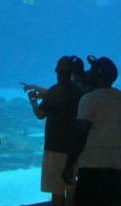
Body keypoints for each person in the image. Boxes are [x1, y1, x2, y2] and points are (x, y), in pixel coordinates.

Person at [62, 56, 121, 206]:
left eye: (91, 70)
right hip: (119, 166)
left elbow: (81, 134)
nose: (87, 73)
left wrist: (69, 163)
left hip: (92, 166)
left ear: (97, 74)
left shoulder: (89, 99)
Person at [24, 56, 84, 206]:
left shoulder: (54, 91)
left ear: (56, 71)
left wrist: (32, 100)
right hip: (73, 146)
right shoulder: (78, 90)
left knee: (57, 190)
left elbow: (40, 114)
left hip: (54, 147)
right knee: (71, 185)